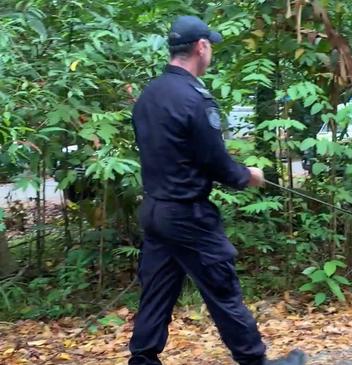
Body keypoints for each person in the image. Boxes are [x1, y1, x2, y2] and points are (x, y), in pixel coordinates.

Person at [127, 15, 307, 365]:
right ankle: (256, 361)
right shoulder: (195, 99)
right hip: (187, 214)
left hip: (154, 211)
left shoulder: (149, 94)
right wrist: (247, 175)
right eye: (210, 47)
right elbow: (214, 161)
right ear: (201, 47)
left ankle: (142, 360)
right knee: (223, 291)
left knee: (157, 292)